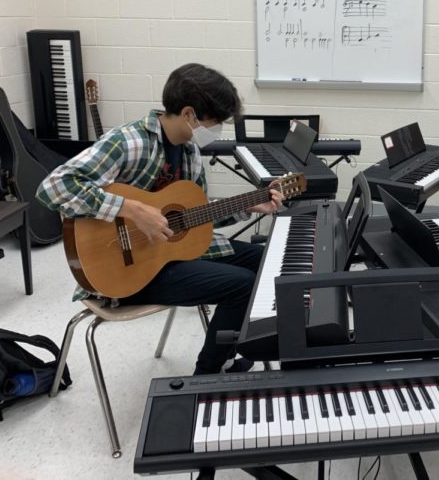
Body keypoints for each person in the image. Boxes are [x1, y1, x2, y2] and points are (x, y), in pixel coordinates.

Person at [37, 63, 283, 375]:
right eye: (216, 122)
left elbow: (192, 221)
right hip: (126, 269)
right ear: (190, 114)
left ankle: (231, 352)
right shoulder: (128, 142)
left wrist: (246, 207)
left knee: (268, 260)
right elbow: (52, 188)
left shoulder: (190, 153)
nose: (218, 129)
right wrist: (133, 209)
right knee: (243, 286)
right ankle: (209, 373)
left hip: (169, 256)